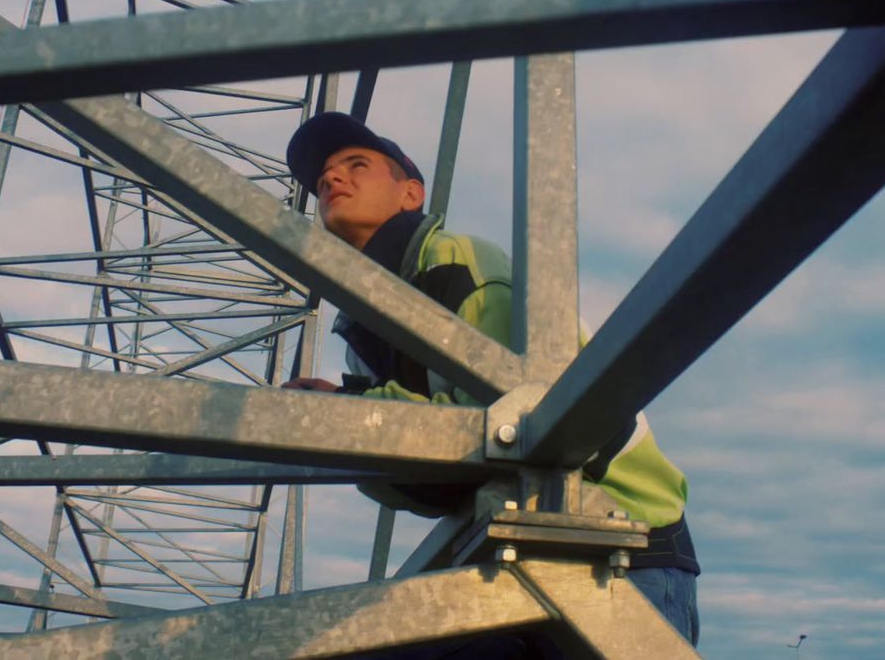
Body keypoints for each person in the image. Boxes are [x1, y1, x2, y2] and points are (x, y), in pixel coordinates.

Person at [282, 112, 700, 651]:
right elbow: (422, 482)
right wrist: (352, 421)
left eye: (356, 165)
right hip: (515, 547)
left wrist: (350, 411)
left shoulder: (456, 259)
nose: (333, 181)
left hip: (622, 538)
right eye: (322, 182)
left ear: (411, 193)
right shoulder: (363, 326)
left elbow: (503, 412)